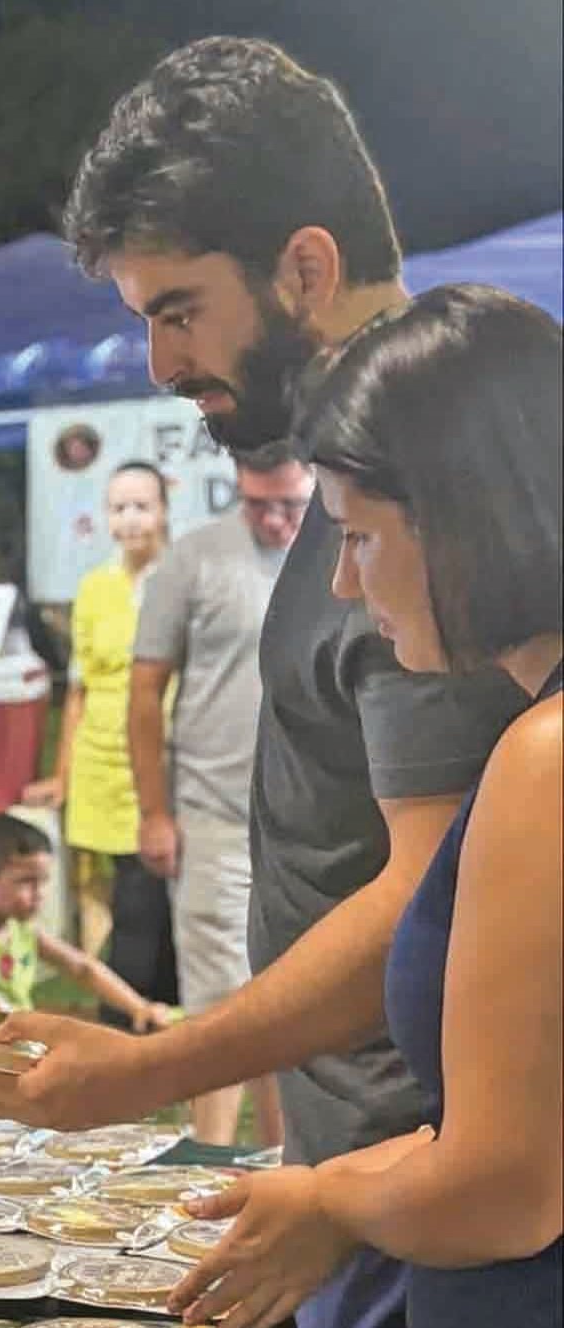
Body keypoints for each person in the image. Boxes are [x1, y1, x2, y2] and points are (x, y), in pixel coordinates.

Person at [0, 38, 528, 1328]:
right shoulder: (369, 486)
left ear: (305, 268)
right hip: (375, 1185)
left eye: (177, 310)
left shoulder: (421, 507)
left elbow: (422, 886)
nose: (159, 365)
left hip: (421, 1206)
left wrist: (153, 1066)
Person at [171, 285, 562, 1328]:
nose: (345, 583)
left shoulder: (546, 757)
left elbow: (508, 1185)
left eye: (361, 537)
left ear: (463, 518)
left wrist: (329, 1193)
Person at [129, 444, 313, 1146]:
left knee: (291, 1000)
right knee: (215, 1002)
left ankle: (277, 1163)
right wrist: (154, 810)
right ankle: (208, 1160)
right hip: (211, 813)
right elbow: (145, 690)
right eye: (256, 505)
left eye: (289, 506)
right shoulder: (194, 559)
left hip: (305, 821)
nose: (273, 521)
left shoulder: (339, 552)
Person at [26, 461, 180, 1026]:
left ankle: (136, 1012)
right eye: (119, 507)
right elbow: (78, 691)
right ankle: (134, 1012)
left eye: (142, 505)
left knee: (149, 890)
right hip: (99, 763)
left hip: (163, 761)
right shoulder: (93, 589)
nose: (131, 518)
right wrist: (63, 775)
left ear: (164, 510)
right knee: (112, 894)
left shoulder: (183, 579)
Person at [0, 813, 173, 1114]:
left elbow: (82, 968)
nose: (38, 895)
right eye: (26, 883)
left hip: (12, 1056)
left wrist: (138, 1007)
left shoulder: (22, 930)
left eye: (42, 883)